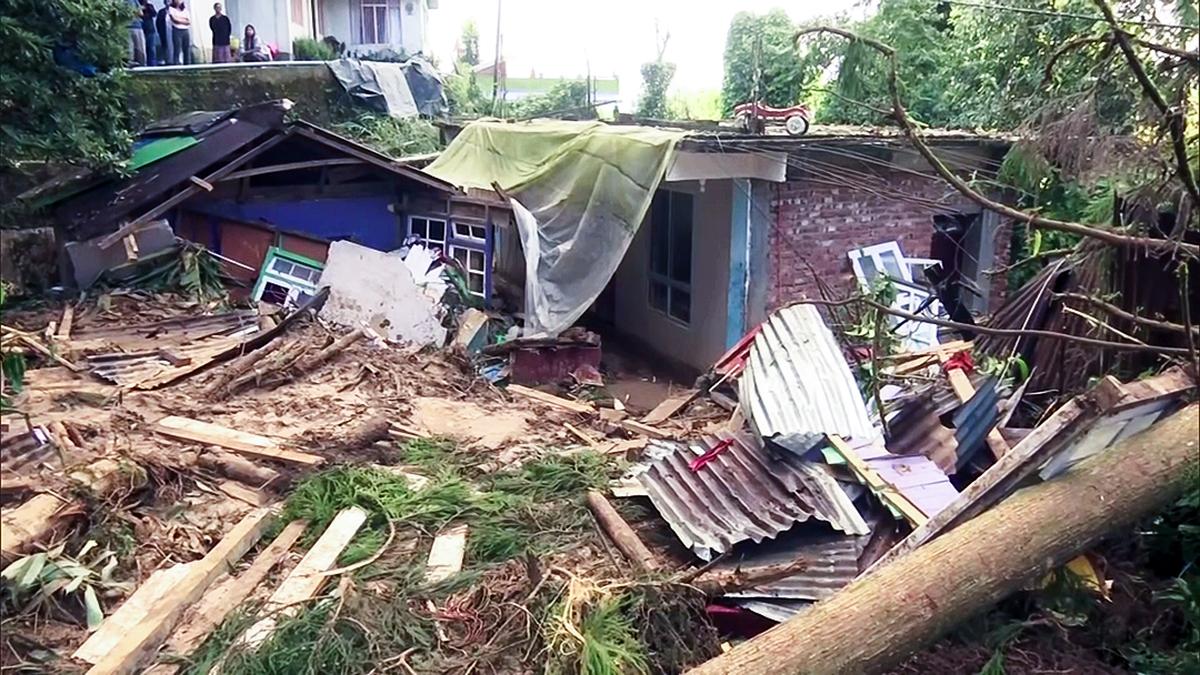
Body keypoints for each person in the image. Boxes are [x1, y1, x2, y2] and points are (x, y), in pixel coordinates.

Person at [169, 0, 192, 65]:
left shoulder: (185, 10)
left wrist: (179, 19)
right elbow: (174, 20)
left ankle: (187, 65)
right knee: (177, 49)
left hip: (185, 30)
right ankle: (176, 65)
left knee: (186, 49)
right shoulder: (171, 9)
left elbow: (188, 21)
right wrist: (183, 20)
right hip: (177, 30)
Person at [127, 0, 146, 66]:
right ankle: (131, 62)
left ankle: (141, 64)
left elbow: (141, 13)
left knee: (139, 47)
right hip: (129, 26)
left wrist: (132, 11)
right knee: (130, 47)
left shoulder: (135, 1)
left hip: (137, 26)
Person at [155, 0, 171, 65]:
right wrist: (159, 31)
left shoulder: (175, 10)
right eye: (167, 1)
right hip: (163, 32)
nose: (168, 3)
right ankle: (167, 59)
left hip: (173, 32)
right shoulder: (161, 12)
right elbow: (157, 22)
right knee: (165, 46)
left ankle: (174, 59)